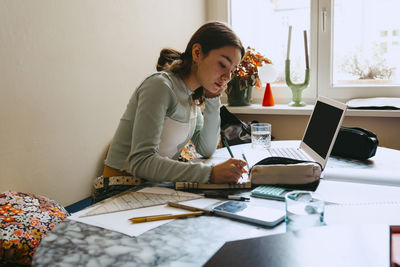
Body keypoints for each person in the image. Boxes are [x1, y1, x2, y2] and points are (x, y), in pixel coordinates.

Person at [93, 21, 247, 202]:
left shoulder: (192, 98)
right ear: (197, 53)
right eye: (222, 64)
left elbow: (206, 148)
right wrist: (210, 173)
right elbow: (141, 161)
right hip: (119, 189)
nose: (228, 77)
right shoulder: (160, 86)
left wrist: (213, 97)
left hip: (153, 187)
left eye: (232, 70)